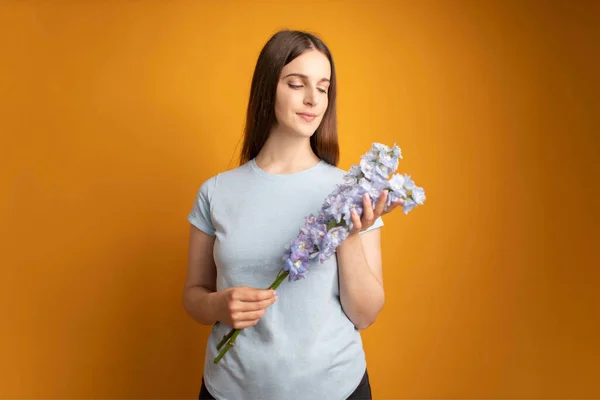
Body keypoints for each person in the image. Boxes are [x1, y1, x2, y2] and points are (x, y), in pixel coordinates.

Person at [183, 29, 404, 400]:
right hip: (229, 389)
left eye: (323, 87)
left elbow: (364, 315)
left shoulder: (351, 192)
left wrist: (346, 233)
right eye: (296, 83)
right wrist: (217, 305)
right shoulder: (216, 192)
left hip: (336, 389)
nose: (312, 99)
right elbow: (193, 295)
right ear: (269, 87)